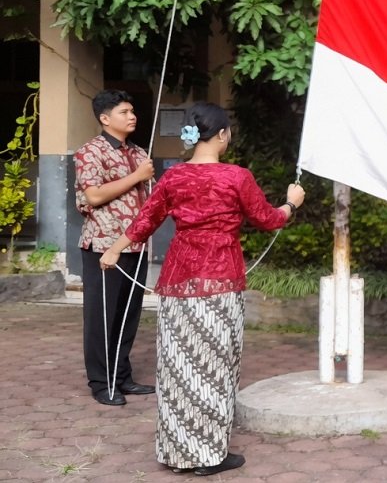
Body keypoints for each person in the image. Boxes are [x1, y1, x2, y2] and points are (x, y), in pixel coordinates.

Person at [99, 102, 305, 476]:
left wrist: (113, 250)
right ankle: (210, 455)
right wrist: (292, 203)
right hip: (220, 281)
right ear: (223, 134)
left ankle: (177, 452)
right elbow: (268, 219)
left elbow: (145, 220)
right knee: (214, 366)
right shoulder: (236, 177)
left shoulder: (174, 177)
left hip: (177, 282)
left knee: (178, 367)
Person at [75, 89, 156, 406]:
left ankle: (122, 377)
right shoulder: (90, 152)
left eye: (133, 110)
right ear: (105, 118)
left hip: (137, 245)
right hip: (103, 245)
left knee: (127, 315)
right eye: (124, 111)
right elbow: (93, 196)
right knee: (101, 317)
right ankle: (100, 382)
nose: (132, 116)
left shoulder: (138, 153)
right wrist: (137, 176)